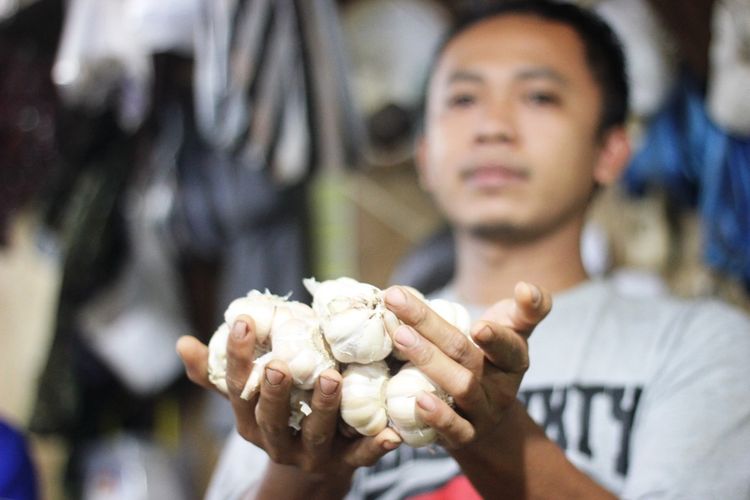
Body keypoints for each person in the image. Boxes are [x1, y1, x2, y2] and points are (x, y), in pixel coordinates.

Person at [177, 1, 750, 498]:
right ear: (426, 156)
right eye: (463, 98)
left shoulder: (706, 344)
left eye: (540, 96)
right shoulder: (311, 354)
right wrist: (308, 474)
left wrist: (500, 442)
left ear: (611, 150)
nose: (492, 126)